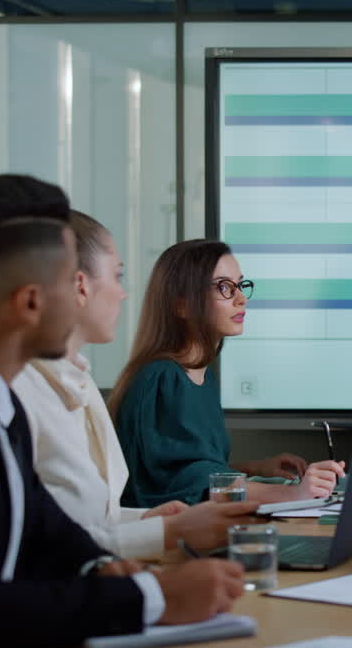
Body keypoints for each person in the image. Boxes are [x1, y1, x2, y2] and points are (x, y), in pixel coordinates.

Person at [0, 175, 243, 648]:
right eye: (70, 281)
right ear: (32, 302)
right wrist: (153, 598)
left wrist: (99, 567)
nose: (84, 294)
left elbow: (43, 528)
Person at [13, 211, 259, 557]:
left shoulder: (80, 382)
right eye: (117, 276)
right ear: (81, 286)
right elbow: (39, 542)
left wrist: (147, 521)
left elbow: (95, 517)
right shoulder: (21, 395)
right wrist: (165, 532)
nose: (123, 293)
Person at [110, 239, 343, 508]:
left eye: (240, 285)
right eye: (224, 287)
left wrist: (254, 468)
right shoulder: (164, 380)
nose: (242, 299)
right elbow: (192, 487)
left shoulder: (202, 377)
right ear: (182, 305)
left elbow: (190, 470)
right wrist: (292, 494)